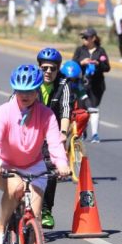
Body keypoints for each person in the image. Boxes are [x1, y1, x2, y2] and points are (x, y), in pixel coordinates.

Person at [0, 65, 70, 244]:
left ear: (38, 90)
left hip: (34, 166)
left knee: (35, 217)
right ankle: (0, 227)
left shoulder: (46, 115)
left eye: (30, 91)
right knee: (16, 188)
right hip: (4, 164)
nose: (25, 95)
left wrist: (62, 164)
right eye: (21, 91)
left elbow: (55, 144)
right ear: (15, 90)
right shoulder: (3, 111)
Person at [35, 48, 70, 230]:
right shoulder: (31, 82)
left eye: (53, 69)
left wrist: (63, 134)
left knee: (50, 169)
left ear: (58, 69)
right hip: (31, 133)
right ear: (39, 67)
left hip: (52, 133)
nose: (48, 72)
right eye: (45, 68)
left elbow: (65, 110)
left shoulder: (63, 85)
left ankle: (47, 209)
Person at [72, 28, 110, 143]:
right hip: (81, 85)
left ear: (93, 38)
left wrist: (98, 64)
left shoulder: (100, 51)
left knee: (93, 108)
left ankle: (95, 135)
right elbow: (72, 65)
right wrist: (81, 63)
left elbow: (107, 67)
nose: (84, 40)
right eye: (83, 37)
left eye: (86, 37)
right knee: (83, 110)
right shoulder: (79, 50)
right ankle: (83, 131)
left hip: (96, 85)